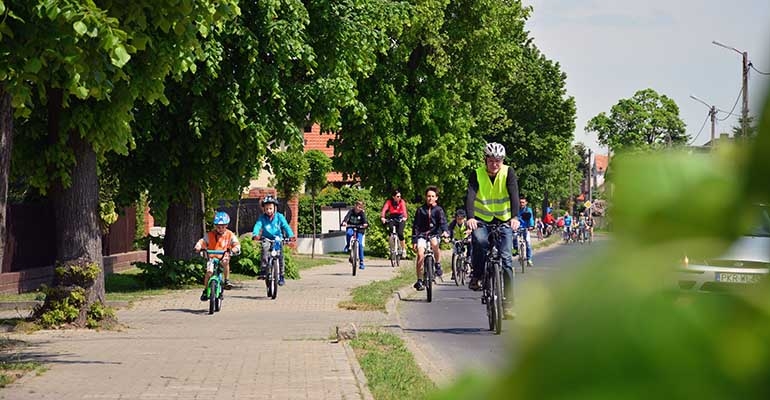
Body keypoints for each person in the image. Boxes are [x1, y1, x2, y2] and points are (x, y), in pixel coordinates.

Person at [465, 142, 519, 318]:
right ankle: (477, 275)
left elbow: (514, 195)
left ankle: (509, 304)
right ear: (485, 160)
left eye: (498, 160)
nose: (495, 164)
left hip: (504, 220)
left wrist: (515, 217)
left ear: (502, 160)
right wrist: (471, 217)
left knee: (507, 260)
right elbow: (470, 196)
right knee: (480, 241)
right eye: (491, 160)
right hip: (481, 219)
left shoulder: (508, 172)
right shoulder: (477, 174)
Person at [194, 211, 241, 301]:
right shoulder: (210, 235)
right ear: (215, 226)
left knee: (225, 262)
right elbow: (202, 241)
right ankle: (205, 289)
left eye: (223, 227)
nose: (220, 229)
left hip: (224, 256)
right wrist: (198, 246)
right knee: (209, 272)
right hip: (212, 257)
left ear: (226, 226)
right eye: (218, 227)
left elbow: (236, 244)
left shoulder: (230, 234)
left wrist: (234, 249)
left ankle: (227, 280)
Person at [411, 186, 449, 291]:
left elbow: (443, 222)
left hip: (434, 234)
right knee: (420, 254)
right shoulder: (420, 210)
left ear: (436, 198)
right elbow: (416, 226)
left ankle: (437, 264)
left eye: (432, 196)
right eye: (428, 196)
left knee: (434, 243)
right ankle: (419, 280)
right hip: (422, 235)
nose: (430, 198)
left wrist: (445, 232)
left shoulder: (439, 210)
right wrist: (414, 240)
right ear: (425, 197)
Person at [252, 195, 295, 286]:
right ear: (264, 209)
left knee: (280, 255)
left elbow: (286, 226)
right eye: (267, 209)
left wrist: (291, 235)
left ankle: (282, 276)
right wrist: (255, 234)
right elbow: (257, 225)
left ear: (275, 208)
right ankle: (263, 270)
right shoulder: (262, 218)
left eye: (270, 208)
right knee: (265, 249)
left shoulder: (280, 217)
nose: (269, 211)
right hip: (266, 238)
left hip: (277, 238)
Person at [341, 200, 369, 270]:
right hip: (351, 226)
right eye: (358, 206)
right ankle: (347, 245)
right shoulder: (351, 211)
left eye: (360, 207)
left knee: (360, 244)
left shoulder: (362, 213)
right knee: (348, 233)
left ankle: (361, 262)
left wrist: (365, 224)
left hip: (360, 229)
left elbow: (365, 221)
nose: (358, 208)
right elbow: (346, 217)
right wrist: (344, 222)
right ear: (355, 206)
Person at [380, 190, 408, 258]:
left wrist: (405, 217)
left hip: (400, 218)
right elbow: (384, 210)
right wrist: (383, 217)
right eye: (398, 196)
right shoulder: (389, 202)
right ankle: (392, 248)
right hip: (392, 217)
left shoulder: (402, 202)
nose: (399, 198)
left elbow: (404, 210)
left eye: (400, 196)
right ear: (393, 197)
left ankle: (403, 249)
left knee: (400, 233)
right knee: (391, 231)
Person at [447, 208, 472, 281]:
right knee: (455, 253)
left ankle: (469, 258)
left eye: (461, 218)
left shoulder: (467, 223)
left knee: (470, 247)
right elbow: (449, 230)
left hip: (466, 239)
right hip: (457, 240)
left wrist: (469, 232)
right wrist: (448, 237)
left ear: (464, 218)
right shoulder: (453, 223)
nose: (460, 220)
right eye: (458, 218)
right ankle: (454, 272)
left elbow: (470, 230)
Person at [515, 196, 535, 266]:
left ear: (526, 203)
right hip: (517, 228)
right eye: (520, 202)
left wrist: (531, 226)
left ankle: (529, 259)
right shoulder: (516, 209)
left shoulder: (528, 210)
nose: (521, 204)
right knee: (514, 238)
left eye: (523, 202)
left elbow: (531, 218)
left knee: (528, 242)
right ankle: (515, 251)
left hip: (526, 228)